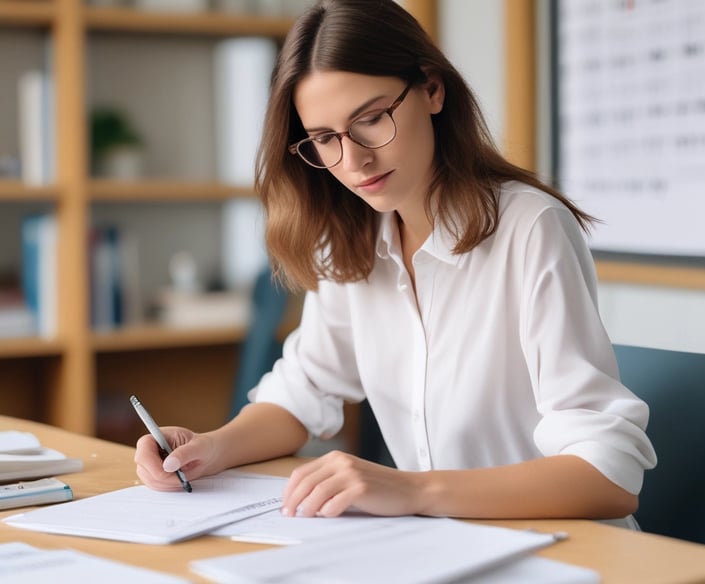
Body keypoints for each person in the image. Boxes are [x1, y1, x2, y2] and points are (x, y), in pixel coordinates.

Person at [135, 0, 656, 527]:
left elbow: (608, 475)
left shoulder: (530, 227)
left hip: (561, 549)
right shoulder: (350, 240)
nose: (355, 160)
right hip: (440, 548)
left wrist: (411, 490)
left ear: (432, 89)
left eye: (371, 119)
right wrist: (208, 450)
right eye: (324, 139)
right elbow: (302, 392)